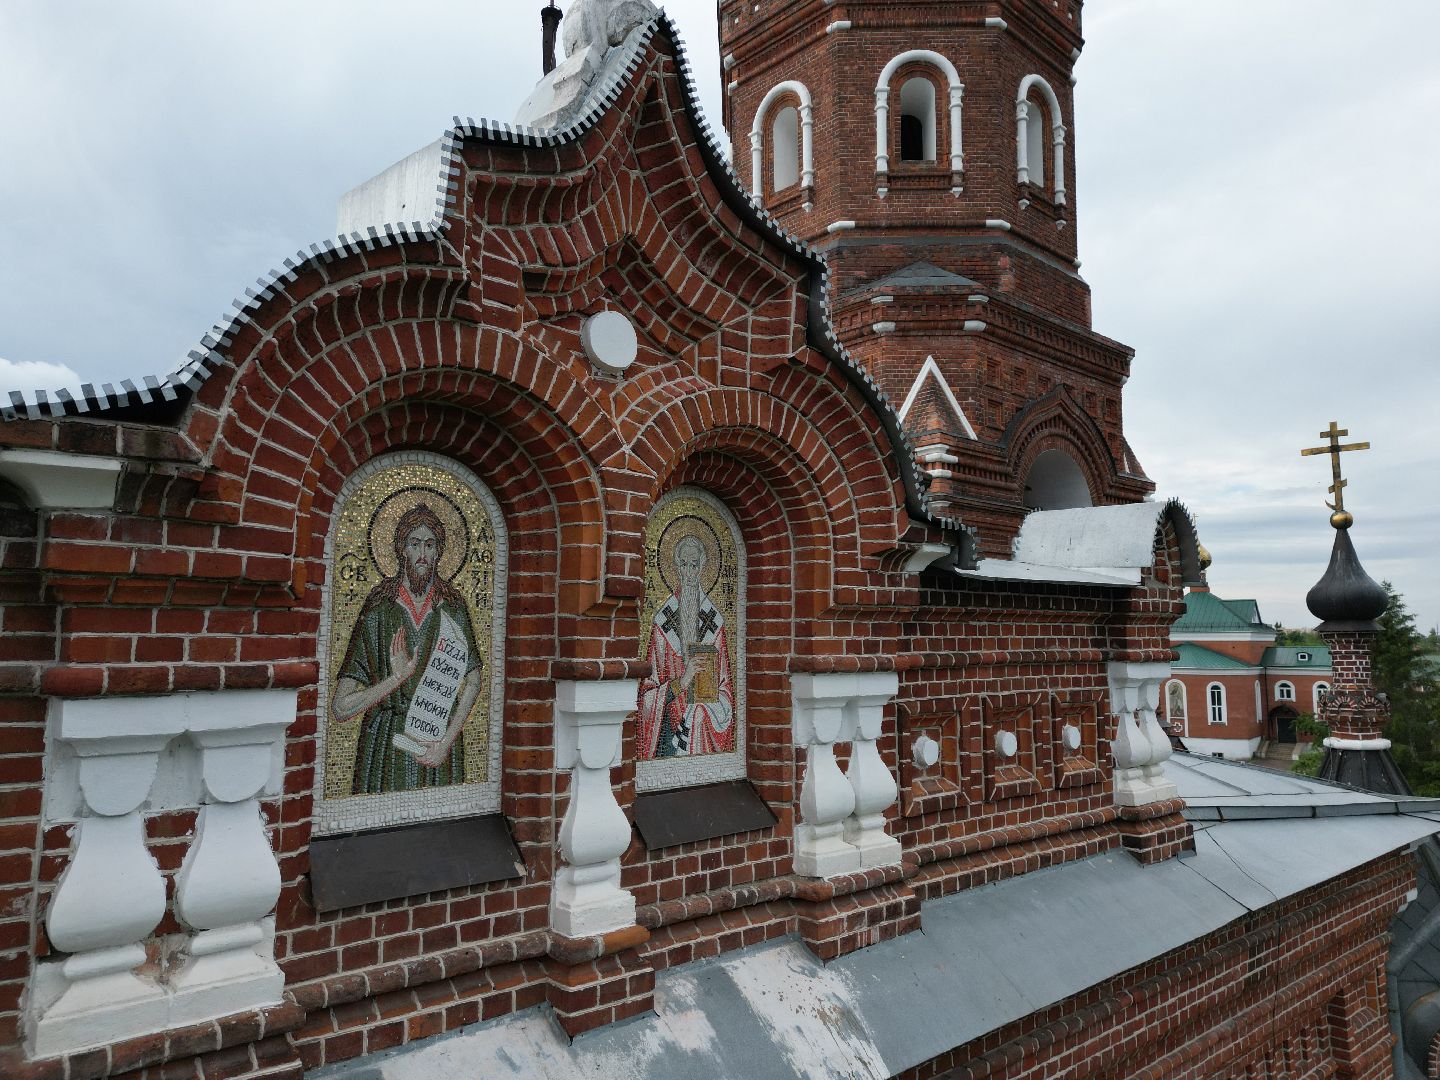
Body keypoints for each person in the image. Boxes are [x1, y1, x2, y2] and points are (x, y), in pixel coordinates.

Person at [331, 503, 482, 793]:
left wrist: (446, 742)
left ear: (440, 551)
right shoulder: (378, 611)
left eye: (430, 545)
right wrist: (395, 680)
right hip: (385, 744)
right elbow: (340, 707)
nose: (422, 555)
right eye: (415, 544)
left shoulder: (454, 609)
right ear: (402, 549)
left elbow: (473, 681)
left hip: (438, 739)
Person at [637, 534, 735, 759]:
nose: (689, 573)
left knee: (700, 713)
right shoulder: (663, 622)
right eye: (684, 564)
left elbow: (726, 686)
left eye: (694, 565)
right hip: (669, 728)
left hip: (703, 723)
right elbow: (647, 694)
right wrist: (682, 682)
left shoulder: (714, 622)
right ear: (676, 567)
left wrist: (707, 705)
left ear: (702, 567)